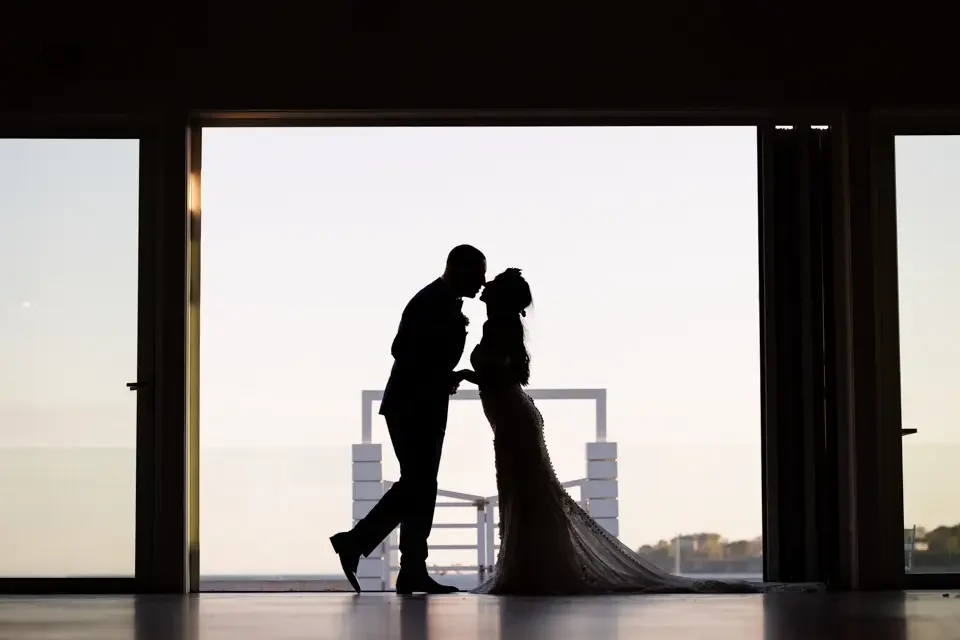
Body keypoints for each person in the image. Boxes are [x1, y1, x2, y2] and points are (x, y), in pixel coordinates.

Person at [458, 268, 821, 595]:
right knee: (525, 492)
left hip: (512, 418)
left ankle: (531, 569)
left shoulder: (496, 329)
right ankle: (532, 567)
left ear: (500, 299)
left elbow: (499, 375)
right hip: (511, 417)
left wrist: (463, 375)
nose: (484, 288)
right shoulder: (505, 329)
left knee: (524, 491)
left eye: (490, 286)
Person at [330, 245, 487, 594]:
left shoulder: (444, 301)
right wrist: (440, 375)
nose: (482, 282)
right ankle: (360, 544)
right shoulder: (430, 301)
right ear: (458, 269)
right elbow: (402, 349)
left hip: (423, 404)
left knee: (421, 485)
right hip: (412, 404)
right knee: (418, 483)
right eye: (477, 274)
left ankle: (406, 566)